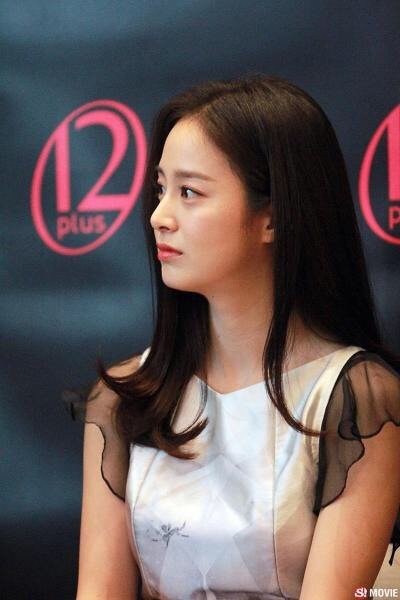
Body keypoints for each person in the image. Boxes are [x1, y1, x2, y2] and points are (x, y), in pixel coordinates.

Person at [63, 73, 400, 599]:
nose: (159, 217)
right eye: (160, 190)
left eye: (189, 192)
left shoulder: (354, 398)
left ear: (273, 218)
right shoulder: (126, 395)